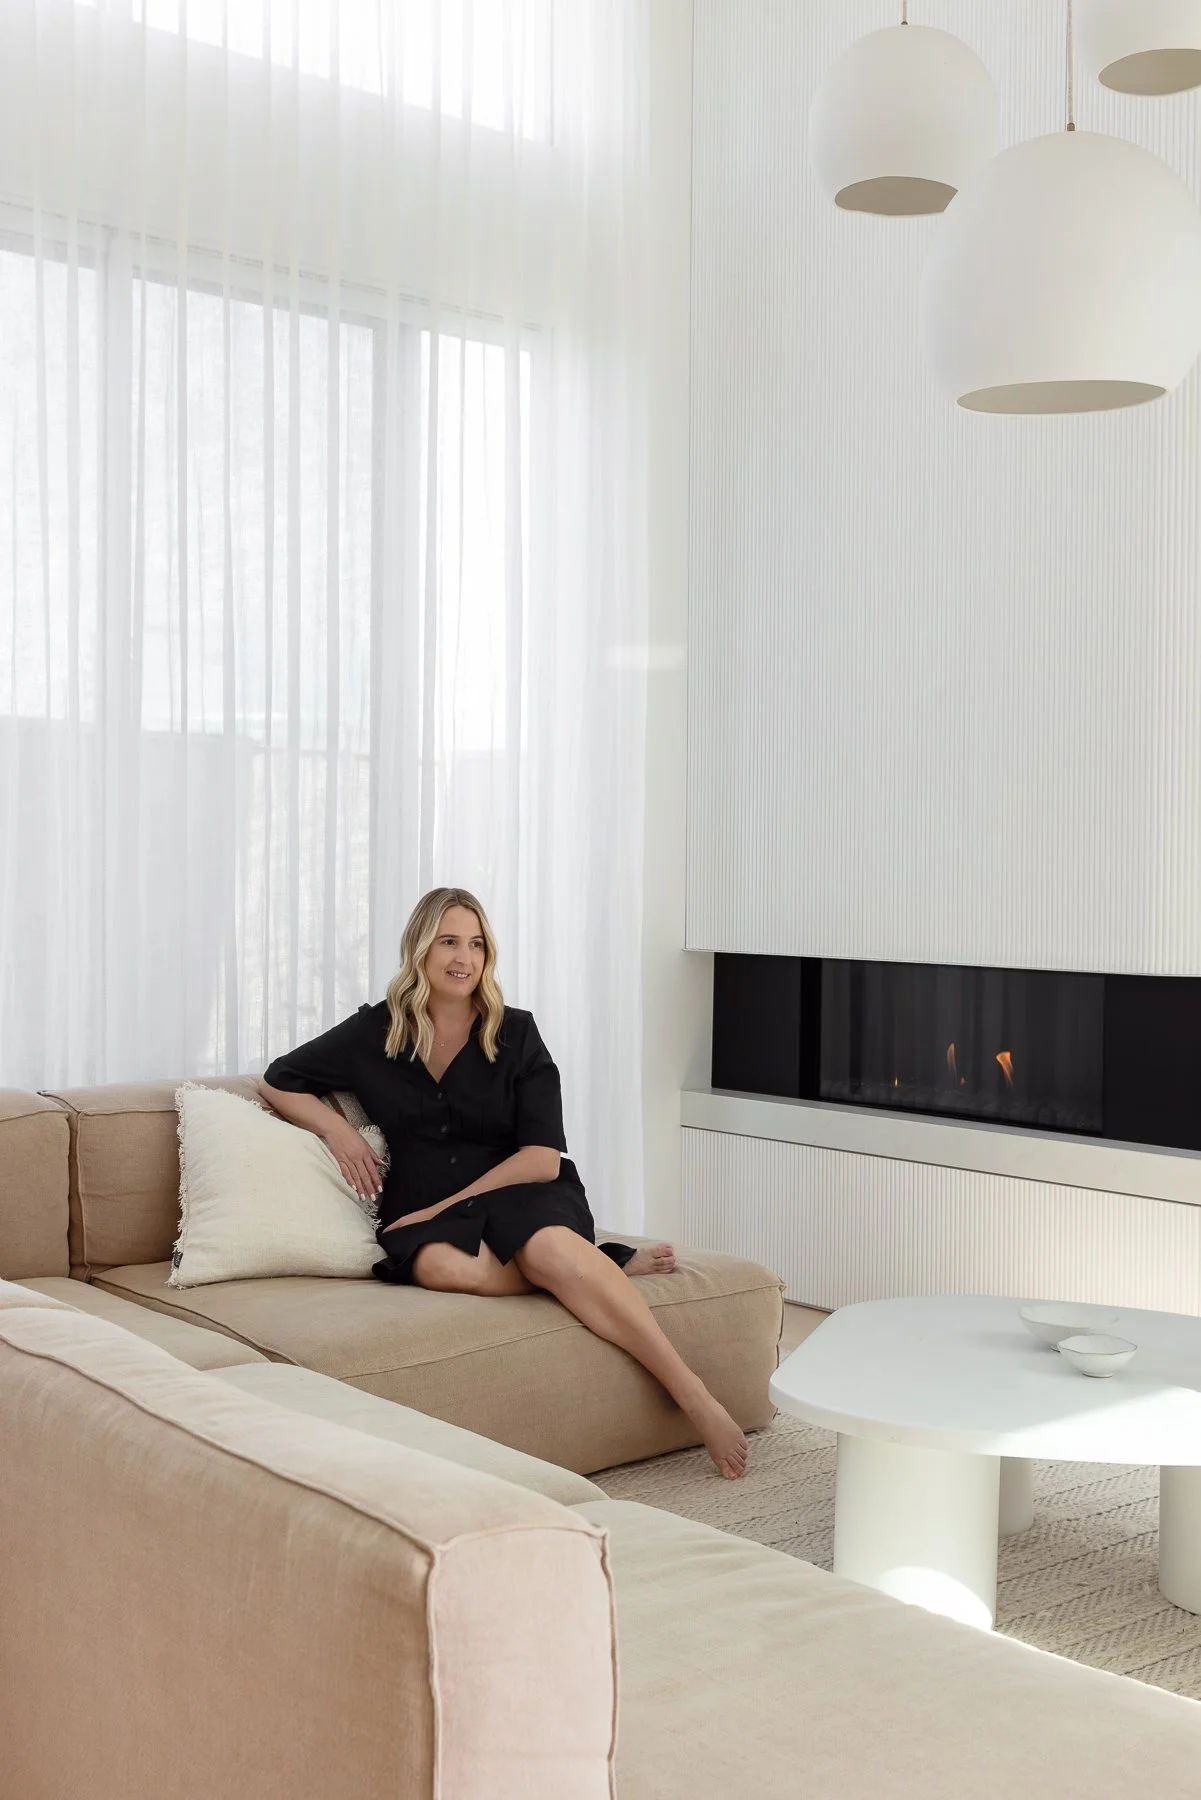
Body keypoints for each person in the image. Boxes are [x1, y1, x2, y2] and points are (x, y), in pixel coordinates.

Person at [260, 885, 749, 1480]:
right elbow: (279, 1078)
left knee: (542, 1244)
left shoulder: (516, 1034)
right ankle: (601, 1264)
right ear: (419, 949)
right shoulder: (375, 1032)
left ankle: (690, 1391)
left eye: (476, 944)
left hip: (522, 1187)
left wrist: (450, 1202)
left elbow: (541, 1157)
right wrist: (339, 1133)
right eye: (448, 942)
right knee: (445, 1267)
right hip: (422, 1205)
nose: (463, 957)